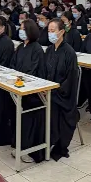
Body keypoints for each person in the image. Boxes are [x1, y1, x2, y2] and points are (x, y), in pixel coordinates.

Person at [36, 19, 79, 161]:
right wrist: (43, 88)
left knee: (52, 108)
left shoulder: (69, 53)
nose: (50, 34)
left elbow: (70, 80)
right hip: (48, 91)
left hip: (62, 95)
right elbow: (42, 71)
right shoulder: (49, 49)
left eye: (53, 31)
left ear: (61, 32)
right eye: (48, 31)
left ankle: (51, 143)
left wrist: (54, 91)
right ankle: (37, 143)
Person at [1, 20, 45, 152]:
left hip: (30, 90)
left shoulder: (37, 49)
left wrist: (20, 79)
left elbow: (34, 71)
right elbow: (12, 64)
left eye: (23, 29)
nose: (20, 31)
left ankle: (25, 143)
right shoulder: (20, 47)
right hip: (16, 85)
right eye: (20, 28)